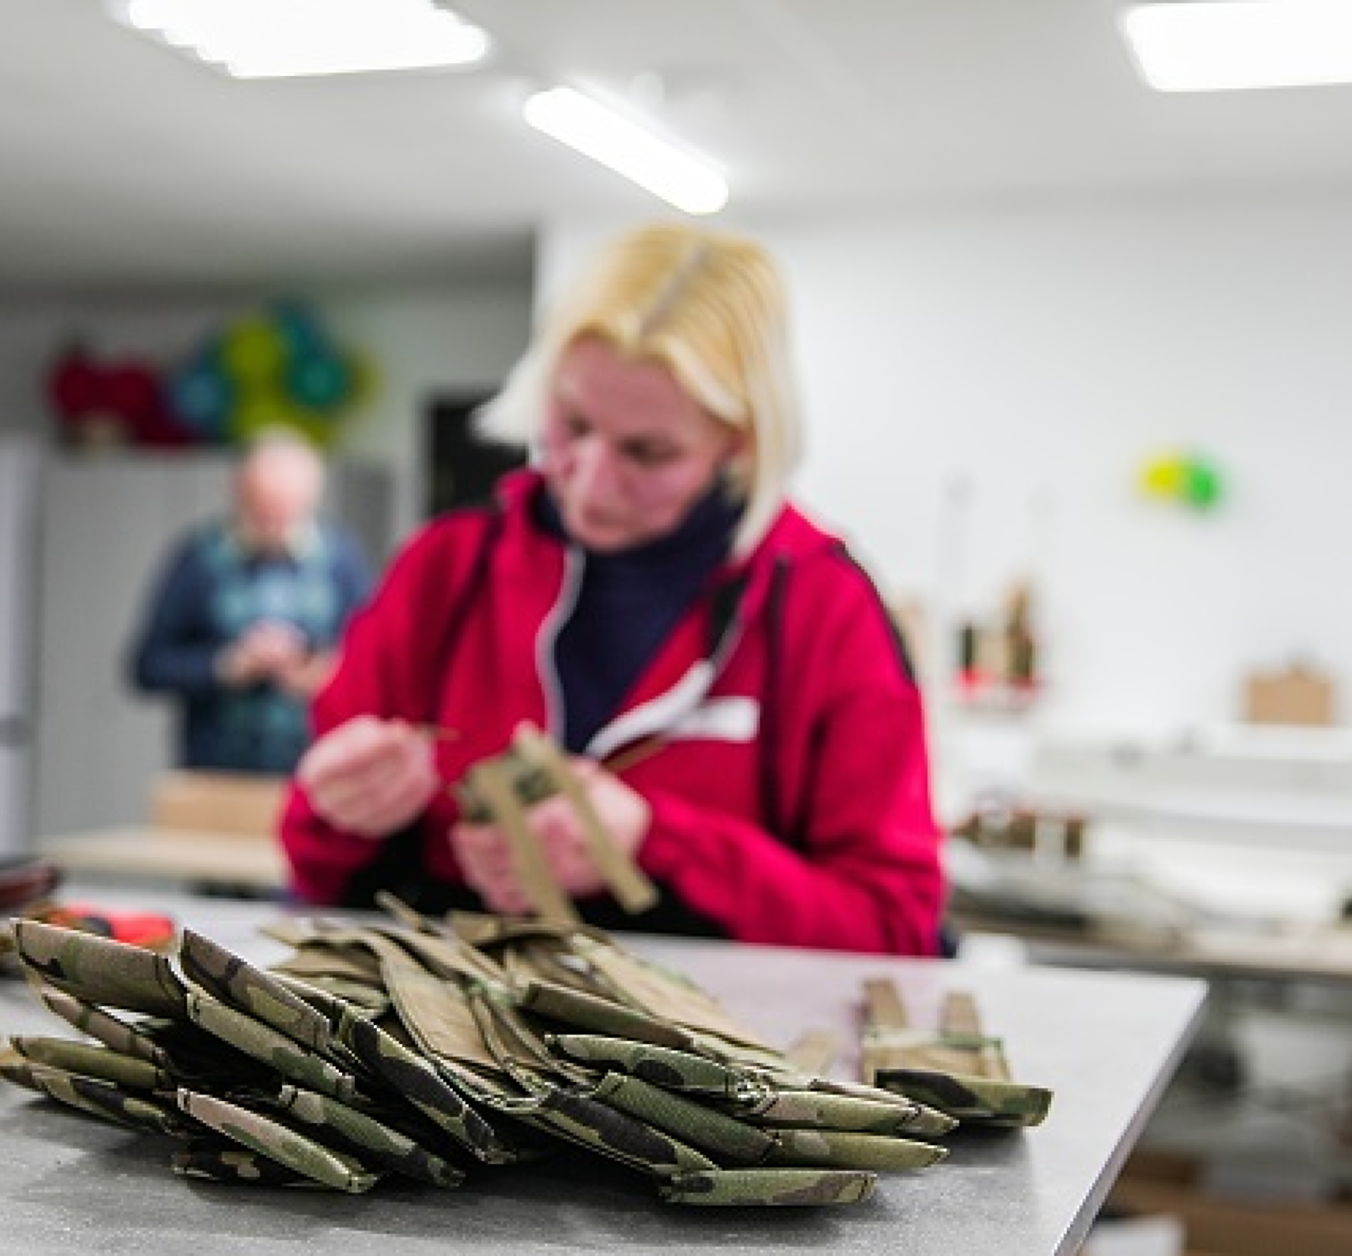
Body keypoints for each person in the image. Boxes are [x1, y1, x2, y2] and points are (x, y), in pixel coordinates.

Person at [280, 222, 944, 955]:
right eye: (572, 424)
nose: (591, 483)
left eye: (648, 452)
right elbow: (317, 874)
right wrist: (335, 811)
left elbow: (894, 927)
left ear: (742, 440)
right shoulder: (446, 570)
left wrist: (654, 843)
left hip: (715, 1053)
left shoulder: (824, 608)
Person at [127, 429, 374, 774]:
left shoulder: (340, 560)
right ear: (238, 492)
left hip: (317, 775)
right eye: (261, 510)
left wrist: (322, 674)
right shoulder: (199, 559)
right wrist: (224, 667)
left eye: (285, 510)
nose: (273, 523)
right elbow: (146, 667)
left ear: (310, 499)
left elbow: (375, 664)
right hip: (216, 776)